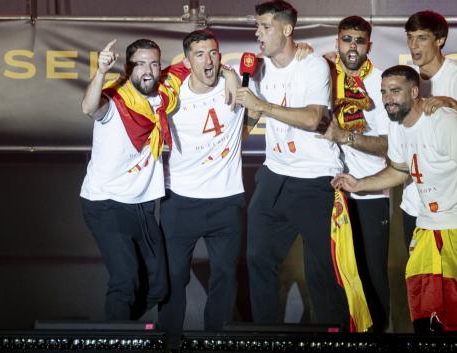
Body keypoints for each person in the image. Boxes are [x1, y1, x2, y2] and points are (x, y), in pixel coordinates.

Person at [331, 65, 457, 333]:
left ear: (415, 91)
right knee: (426, 312)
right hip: (428, 228)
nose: (388, 99)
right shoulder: (396, 126)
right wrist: (359, 184)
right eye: (384, 92)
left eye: (395, 91)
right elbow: (399, 170)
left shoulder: (443, 121)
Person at [235, 0, 350, 328]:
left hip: (315, 179)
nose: (258, 34)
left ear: (287, 29)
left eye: (265, 27)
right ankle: (265, 333)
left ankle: (338, 332)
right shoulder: (257, 67)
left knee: (326, 268)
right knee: (257, 258)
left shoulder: (312, 65)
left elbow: (316, 118)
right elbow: (253, 113)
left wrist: (263, 105)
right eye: (256, 27)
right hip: (274, 174)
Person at [157, 29, 250, 349]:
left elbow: (264, 66)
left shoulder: (235, 85)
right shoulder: (172, 95)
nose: (208, 60)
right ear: (187, 61)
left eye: (213, 53)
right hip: (180, 201)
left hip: (226, 201)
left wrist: (230, 73)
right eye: (200, 54)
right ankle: (169, 342)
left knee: (224, 277)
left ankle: (216, 342)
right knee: (173, 278)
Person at [79, 39, 176, 320]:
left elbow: (193, 69)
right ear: (127, 68)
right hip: (106, 202)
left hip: (143, 205)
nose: (148, 70)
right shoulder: (115, 100)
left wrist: (229, 74)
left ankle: (121, 331)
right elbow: (89, 107)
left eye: (154, 63)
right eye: (140, 63)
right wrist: (100, 72)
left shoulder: (163, 96)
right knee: (125, 281)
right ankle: (116, 337)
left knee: (158, 287)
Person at [317, 16, 391, 331]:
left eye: (359, 41)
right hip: (331, 191)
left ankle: (377, 337)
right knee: (332, 273)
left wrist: (344, 136)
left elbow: (391, 146)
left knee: (371, 274)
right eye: (346, 39)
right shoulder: (323, 73)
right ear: (337, 42)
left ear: (368, 45)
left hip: (369, 193)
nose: (352, 46)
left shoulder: (381, 83)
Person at [401, 10, 457, 249]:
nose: (413, 45)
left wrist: (454, 104)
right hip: (415, 203)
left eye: (421, 37)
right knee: (420, 282)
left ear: (440, 40)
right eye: (410, 37)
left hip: (453, 208)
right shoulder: (408, 81)